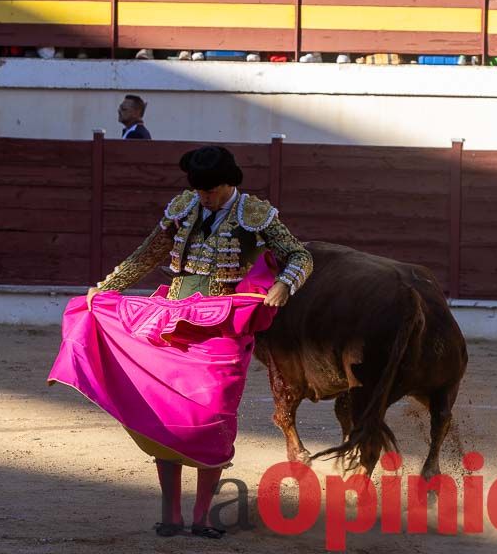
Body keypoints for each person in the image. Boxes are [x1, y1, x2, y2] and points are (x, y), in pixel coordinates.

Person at [56, 145, 310, 540]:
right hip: (173, 322)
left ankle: (203, 516)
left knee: (212, 418)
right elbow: (147, 255)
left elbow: (299, 256)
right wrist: (105, 288)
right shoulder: (184, 207)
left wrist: (284, 283)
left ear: (230, 183)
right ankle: (171, 514)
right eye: (200, 190)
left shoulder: (255, 214)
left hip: (224, 326)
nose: (205, 197)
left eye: (211, 191)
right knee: (165, 412)